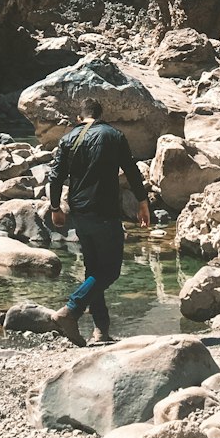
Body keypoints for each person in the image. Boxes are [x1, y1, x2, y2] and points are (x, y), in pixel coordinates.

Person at [46, 95, 151, 346]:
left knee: (94, 271)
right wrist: (142, 201)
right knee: (110, 270)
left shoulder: (68, 138)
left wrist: (55, 207)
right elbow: (132, 170)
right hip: (104, 212)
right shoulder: (113, 136)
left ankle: (101, 332)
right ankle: (70, 310)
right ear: (100, 116)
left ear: (79, 118)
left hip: (79, 212)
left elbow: (55, 176)